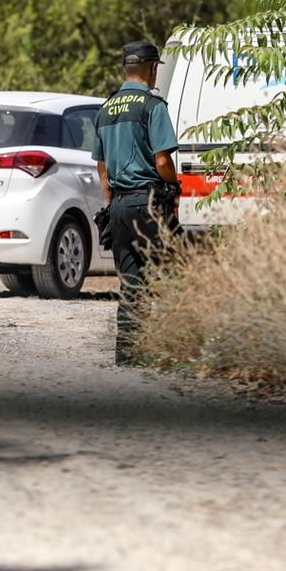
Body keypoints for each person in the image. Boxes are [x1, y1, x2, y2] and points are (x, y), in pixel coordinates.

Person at [93, 40, 181, 364]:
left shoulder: (106, 109)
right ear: (153, 67)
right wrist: (174, 186)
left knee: (131, 283)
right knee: (170, 275)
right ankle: (169, 350)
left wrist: (111, 201)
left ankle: (128, 354)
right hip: (149, 205)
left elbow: (101, 168)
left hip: (118, 208)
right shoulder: (152, 106)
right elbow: (162, 162)